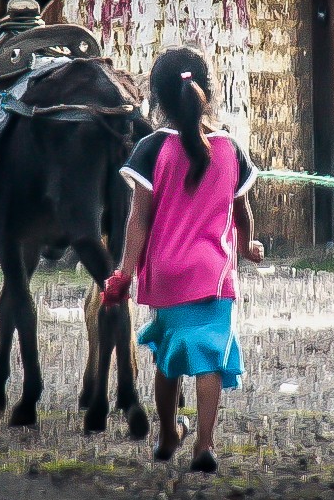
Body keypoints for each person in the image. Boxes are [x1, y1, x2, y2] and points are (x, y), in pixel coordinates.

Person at [103, 47, 264, 474]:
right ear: (207, 90)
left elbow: (138, 220)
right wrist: (247, 244)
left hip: (167, 275)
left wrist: (123, 273)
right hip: (212, 273)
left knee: (170, 356)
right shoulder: (230, 148)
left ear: (157, 97)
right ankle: (205, 445)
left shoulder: (152, 149)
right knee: (210, 357)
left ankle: (167, 435)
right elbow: (242, 211)